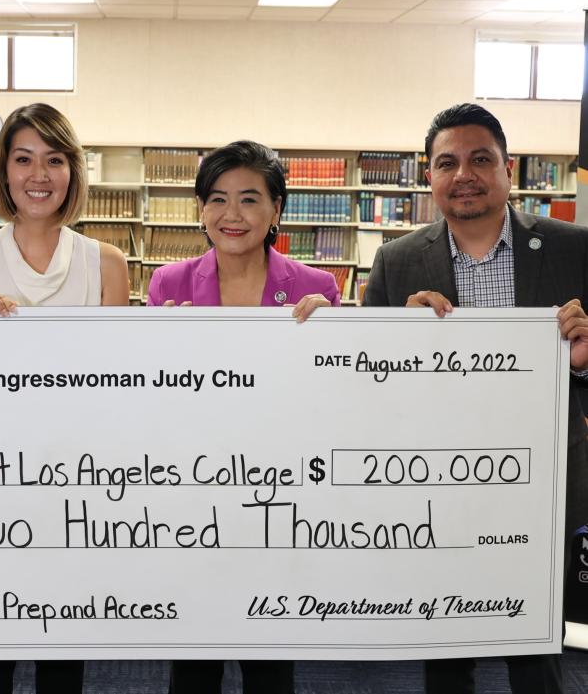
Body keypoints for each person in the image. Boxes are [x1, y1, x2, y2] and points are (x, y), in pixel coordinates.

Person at [364, 102, 588, 694]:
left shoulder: (577, 249)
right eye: (447, 162)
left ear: (508, 169)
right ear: (429, 176)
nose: (464, 173)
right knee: (444, 643)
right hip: (437, 481)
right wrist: (395, 349)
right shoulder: (397, 261)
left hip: (543, 480)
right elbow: (363, 388)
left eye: (480, 159)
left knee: (536, 646)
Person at [0, 102, 130, 693]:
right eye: (23, 159)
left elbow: (117, 385)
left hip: (77, 484)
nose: (38, 174)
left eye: (54, 159)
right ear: (3, 170)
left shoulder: (108, 263)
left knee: (63, 659)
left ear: (73, 171)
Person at [147, 139, 337, 693]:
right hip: (190, 494)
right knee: (194, 663)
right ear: (201, 209)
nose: (232, 215)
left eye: (250, 199)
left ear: (277, 208)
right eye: (217, 199)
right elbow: (149, 402)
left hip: (276, 499)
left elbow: (332, 402)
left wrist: (335, 341)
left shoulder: (315, 289)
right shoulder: (169, 285)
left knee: (270, 665)